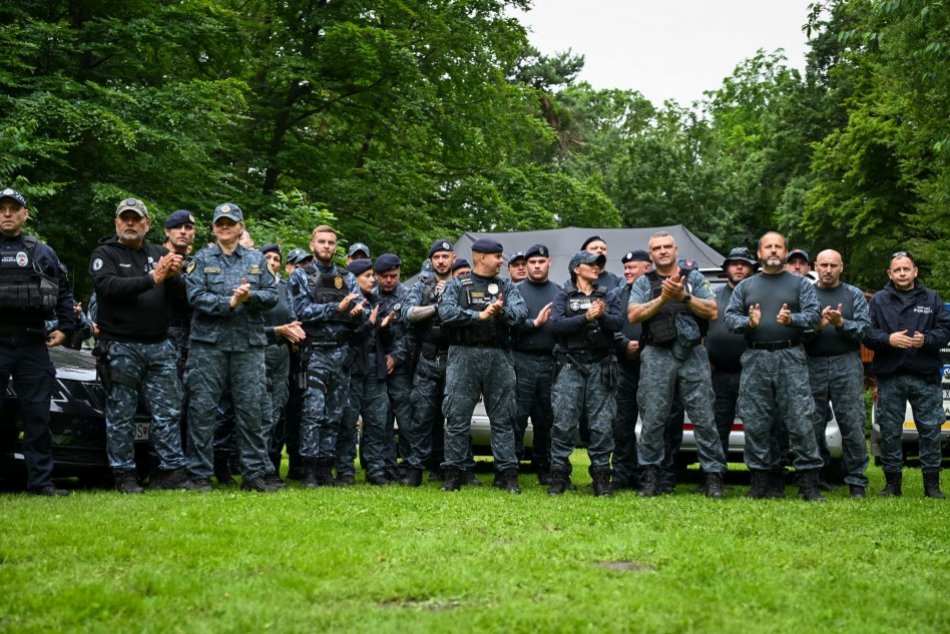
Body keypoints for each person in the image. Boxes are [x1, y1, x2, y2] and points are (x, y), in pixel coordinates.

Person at [90, 198, 193, 493]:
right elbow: (108, 288)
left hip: (159, 346)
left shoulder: (160, 253)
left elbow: (182, 300)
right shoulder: (105, 253)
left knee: (168, 411)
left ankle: (170, 470)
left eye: (137, 219)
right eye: (126, 219)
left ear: (147, 224)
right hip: (121, 346)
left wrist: (175, 276)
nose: (131, 223)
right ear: (117, 223)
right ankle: (124, 474)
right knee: (121, 413)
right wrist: (153, 278)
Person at [723, 231, 825, 501]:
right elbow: (730, 318)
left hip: (790, 356)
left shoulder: (800, 284)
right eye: (767, 246)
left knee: (801, 421)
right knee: (755, 422)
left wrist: (793, 320)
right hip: (756, 359)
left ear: (785, 252)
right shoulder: (746, 286)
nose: (773, 251)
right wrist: (750, 323)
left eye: (778, 247)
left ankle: (809, 484)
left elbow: (814, 317)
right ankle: (759, 482)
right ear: (759, 253)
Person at [184, 203, 279, 492]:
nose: (225, 227)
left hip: (248, 346)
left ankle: (253, 474)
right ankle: (199, 474)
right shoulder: (201, 259)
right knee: (202, 411)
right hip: (208, 347)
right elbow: (195, 296)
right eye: (220, 223)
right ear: (213, 228)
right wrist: (229, 303)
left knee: (251, 411)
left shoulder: (256, 259)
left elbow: (273, 294)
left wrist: (249, 298)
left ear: (240, 227)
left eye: (230, 223)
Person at [628, 231, 727, 498]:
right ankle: (650, 476)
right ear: (650, 254)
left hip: (692, 353)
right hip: (656, 354)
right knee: (652, 418)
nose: (662, 251)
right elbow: (634, 314)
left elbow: (713, 310)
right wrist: (663, 297)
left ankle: (713, 476)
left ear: (676, 250)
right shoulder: (643, 282)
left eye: (667, 247)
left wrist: (683, 296)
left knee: (704, 417)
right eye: (657, 248)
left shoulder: (693, 278)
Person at [0, 187, 75, 495]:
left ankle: (41, 483)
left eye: (13, 209)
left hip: (32, 344)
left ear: (25, 214)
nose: (7, 214)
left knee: (37, 417)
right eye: (2, 208)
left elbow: (63, 292)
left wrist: (67, 326)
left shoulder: (42, 252)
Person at [437, 238, 527, 492]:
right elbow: (446, 313)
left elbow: (520, 315)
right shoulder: (457, 284)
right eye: (497, 256)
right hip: (463, 355)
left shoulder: (506, 286)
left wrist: (500, 312)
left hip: (498, 356)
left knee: (503, 417)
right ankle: (453, 473)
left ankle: (506, 473)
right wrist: (479, 316)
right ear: (481, 257)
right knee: (456, 416)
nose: (501, 261)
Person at [866, 251, 950, 498]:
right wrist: (888, 339)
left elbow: (945, 332)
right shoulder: (878, 301)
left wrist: (927, 340)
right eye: (897, 270)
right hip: (890, 376)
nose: (902, 273)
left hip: (925, 377)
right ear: (889, 274)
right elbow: (867, 333)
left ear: (915, 271)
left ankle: (932, 486)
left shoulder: (932, 298)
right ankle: (892, 484)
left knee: (930, 431)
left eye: (906, 269)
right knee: (890, 431)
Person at [289, 225, 365, 487]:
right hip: (315, 353)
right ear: (312, 245)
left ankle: (325, 468)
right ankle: (308, 470)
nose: (327, 246)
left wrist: (357, 314)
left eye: (331, 242)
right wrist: (337, 308)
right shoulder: (301, 276)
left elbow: (360, 310)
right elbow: (300, 311)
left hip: (341, 354)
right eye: (322, 242)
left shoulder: (346, 277)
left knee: (335, 414)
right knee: (312, 412)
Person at [548, 251, 624, 496]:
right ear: (576, 269)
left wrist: (601, 316)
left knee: (602, 424)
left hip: (600, 365)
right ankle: (559, 475)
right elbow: (557, 326)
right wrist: (585, 317)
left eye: (598, 264)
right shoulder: (563, 296)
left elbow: (618, 323)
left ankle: (602, 477)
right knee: (563, 421)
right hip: (570, 364)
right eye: (590, 264)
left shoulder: (608, 295)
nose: (596, 268)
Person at [803, 249, 871, 497]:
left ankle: (857, 482)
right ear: (815, 266)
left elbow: (865, 331)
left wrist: (842, 324)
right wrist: (818, 326)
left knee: (852, 422)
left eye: (833, 265)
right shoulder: (806, 293)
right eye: (824, 265)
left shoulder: (853, 295)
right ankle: (814, 477)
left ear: (842, 267)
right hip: (813, 363)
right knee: (812, 423)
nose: (828, 270)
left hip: (847, 363)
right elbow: (797, 332)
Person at [400, 240, 464, 486]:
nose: (441, 261)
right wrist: (435, 306)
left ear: (453, 258)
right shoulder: (421, 286)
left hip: (455, 359)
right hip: (427, 359)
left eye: (445, 256)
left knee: (455, 417)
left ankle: (453, 470)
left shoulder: (462, 286)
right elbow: (408, 313)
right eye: (436, 256)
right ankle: (415, 469)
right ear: (431, 260)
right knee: (422, 416)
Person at [339, 259, 392, 484]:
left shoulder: (376, 301)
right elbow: (346, 336)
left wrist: (383, 327)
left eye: (373, 275)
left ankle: (375, 469)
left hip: (375, 367)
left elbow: (385, 338)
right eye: (368, 275)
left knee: (377, 419)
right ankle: (345, 469)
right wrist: (370, 324)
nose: (373, 279)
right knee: (348, 420)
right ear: (354, 278)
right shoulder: (345, 303)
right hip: (353, 367)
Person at [512, 244, 558, 484]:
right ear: (525, 266)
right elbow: (508, 326)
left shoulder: (559, 292)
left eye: (541, 262)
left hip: (550, 362)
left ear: (549, 262)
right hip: (521, 360)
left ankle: (544, 466)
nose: (537, 266)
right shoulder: (515, 291)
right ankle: (511, 467)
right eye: (532, 262)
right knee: (517, 416)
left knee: (546, 419)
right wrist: (534, 323)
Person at [259, 243, 305, 487]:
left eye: (276, 259)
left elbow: (291, 317)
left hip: (283, 357)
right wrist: (278, 331)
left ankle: (272, 469)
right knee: (263, 414)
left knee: (277, 414)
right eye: (268, 258)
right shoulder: (253, 288)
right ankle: (260, 468)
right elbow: (249, 327)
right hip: (260, 353)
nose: (273, 262)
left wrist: (294, 332)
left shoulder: (284, 288)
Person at [705, 247, 756, 461]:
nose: (738, 267)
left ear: (751, 269)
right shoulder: (713, 297)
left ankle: (759, 476)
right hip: (718, 373)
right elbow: (700, 332)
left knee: (756, 424)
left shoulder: (758, 295)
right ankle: (715, 475)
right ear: (726, 268)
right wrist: (706, 361)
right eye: (734, 263)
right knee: (717, 425)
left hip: (752, 373)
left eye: (743, 264)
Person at [610, 249, 651, 490]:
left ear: (647, 268)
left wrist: (644, 345)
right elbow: (609, 323)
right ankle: (622, 474)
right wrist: (624, 343)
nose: (627, 271)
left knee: (651, 422)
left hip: (651, 364)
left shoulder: (656, 291)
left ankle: (646, 474)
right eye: (625, 268)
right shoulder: (616, 294)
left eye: (632, 267)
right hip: (624, 366)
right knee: (622, 423)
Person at [375, 253, 413, 481]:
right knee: (382, 418)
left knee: (406, 418)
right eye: (385, 277)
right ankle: (387, 466)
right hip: (376, 365)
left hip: (400, 367)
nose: (389, 280)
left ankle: (409, 464)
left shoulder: (408, 296)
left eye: (394, 276)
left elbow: (410, 334)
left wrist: (395, 357)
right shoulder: (370, 296)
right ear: (377, 275)